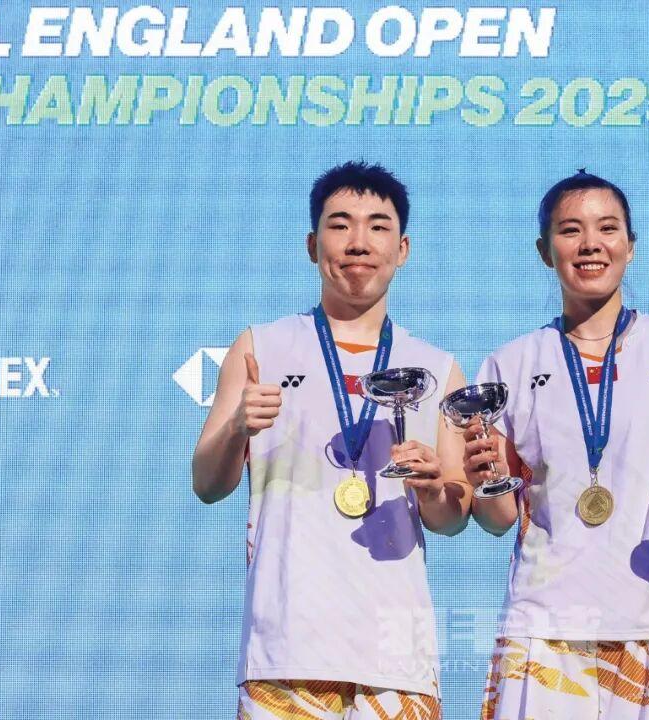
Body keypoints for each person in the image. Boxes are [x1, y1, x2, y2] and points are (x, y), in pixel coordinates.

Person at [464, 171, 649, 720]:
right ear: (544, 251)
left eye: (607, 229)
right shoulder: (511, 364)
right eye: (570, 230)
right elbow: (498, 518)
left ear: (630, 246)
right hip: (548, 628)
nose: (590, 244)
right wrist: (484, 479)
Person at [192, 161, 471, 720]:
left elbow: (453, 517)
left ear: (403, 249)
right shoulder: (261, 348)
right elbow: (206, 484)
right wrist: (237, 427)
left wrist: (434, 487)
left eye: (378, 226)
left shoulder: (436, 368)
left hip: (396, 656)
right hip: (286, 649)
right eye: (340, 225)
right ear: (312, 244)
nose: (358, 241)